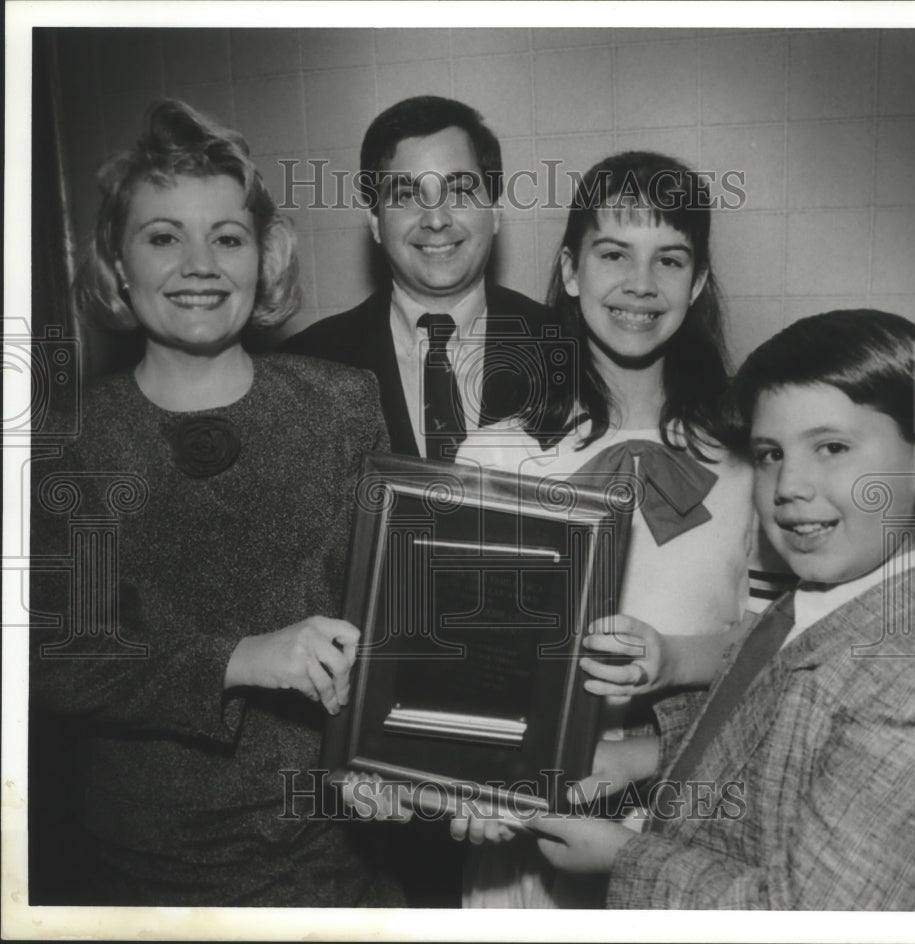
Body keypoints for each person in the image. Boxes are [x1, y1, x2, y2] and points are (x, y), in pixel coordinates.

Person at [30, 99, 404, 907]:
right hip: (157, 871)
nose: (200, 264)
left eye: (227, 238)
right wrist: (240, 658)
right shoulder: (74, 443)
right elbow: (60, 660)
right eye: (164, 237)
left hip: (341, 855)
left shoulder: (341, 402)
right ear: (117, 266)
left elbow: (386, 610)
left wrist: (389, 753)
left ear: (263, 261)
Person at [501, 310, 915, 909]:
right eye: (770, 454)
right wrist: (627, 760)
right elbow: (766, 735)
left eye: (832, 447)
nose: (789, 485)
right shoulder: (821, 603)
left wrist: (622, 855)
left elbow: (809, 918)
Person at [451, 152, 789, 907]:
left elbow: (781, 653)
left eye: (669, 259)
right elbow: (461, 662)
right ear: (571, 270)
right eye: (614, 254)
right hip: (530, 830)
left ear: (697, 283)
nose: (642, 285)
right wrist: (461, 781)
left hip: (693, 822)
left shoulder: (750, 459)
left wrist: (671, 664)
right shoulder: (497, 453)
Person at [281, 95, 552, 460]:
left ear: (496, 212)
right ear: (375, 223)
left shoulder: (569, 347)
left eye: (458, 191)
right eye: (407, 195)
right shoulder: (306, 368)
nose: (436, 219)